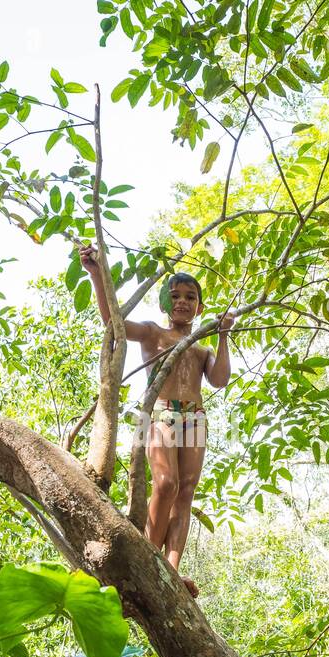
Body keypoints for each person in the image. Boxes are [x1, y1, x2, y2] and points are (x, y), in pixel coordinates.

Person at [78, 244, 233, 596]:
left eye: (191, 297)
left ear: (200, 306)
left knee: (186, 490)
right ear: (165, 302)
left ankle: (172, 570)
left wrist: (222, 333)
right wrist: (97, 274)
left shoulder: (201, 347)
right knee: (165, 483)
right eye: (175, 295)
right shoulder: (153, 333)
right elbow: (113, 322)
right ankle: (150, 555)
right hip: (161, 413)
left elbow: (220, 379)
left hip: (194, 417)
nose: (182, 302)